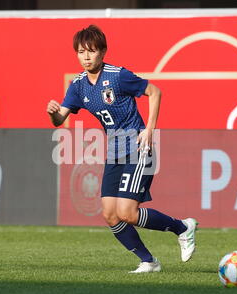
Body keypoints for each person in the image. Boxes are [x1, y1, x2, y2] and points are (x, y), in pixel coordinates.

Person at [47, 25, 198, 273]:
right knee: (110, 214)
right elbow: (59, 118)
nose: (86, 56)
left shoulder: (118, 76)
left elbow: (154, 91)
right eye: (81, 52)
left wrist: (149, 129)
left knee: (127, 212)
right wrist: (54, 114)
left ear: (103, 52)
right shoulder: (78, 86)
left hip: (138, 145)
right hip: (114, 150)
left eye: (91, 51)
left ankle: (182, 228)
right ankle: (149, 261)